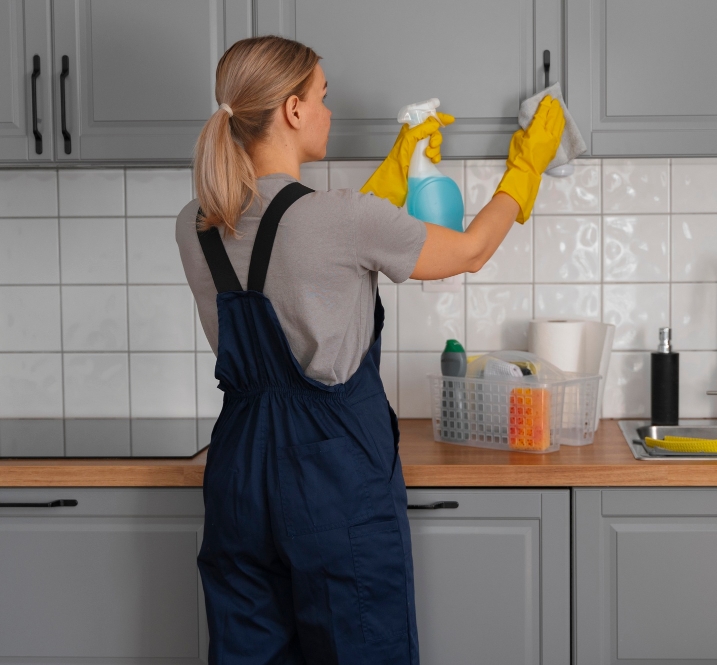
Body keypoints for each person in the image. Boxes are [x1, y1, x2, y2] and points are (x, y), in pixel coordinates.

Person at [174, 36, 564, 664]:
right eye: (323, 97)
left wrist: (395, 170)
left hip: (240, 469)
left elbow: (303, 249)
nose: (331, 112)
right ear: (294, 110)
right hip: (333, 473)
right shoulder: (339, 218)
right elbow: (467, 250)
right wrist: (526, 169)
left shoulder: (196, 220)